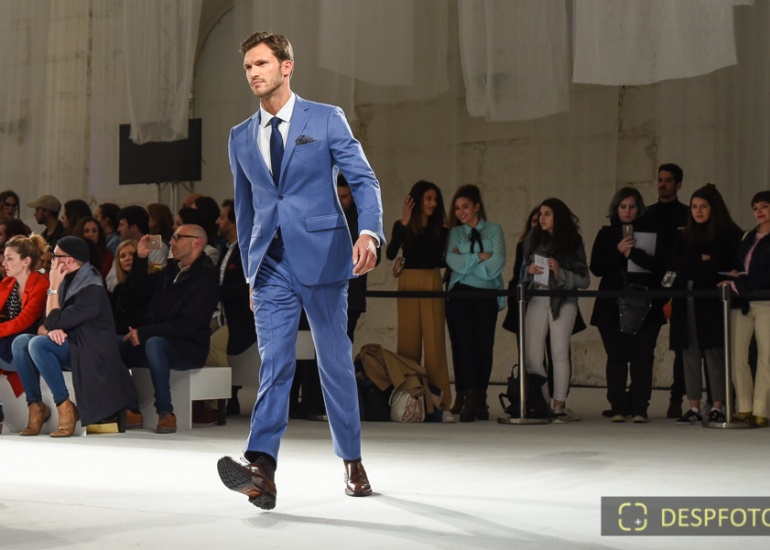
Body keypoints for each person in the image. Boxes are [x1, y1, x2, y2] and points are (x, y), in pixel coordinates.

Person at [217, 31, 383, 510]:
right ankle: (261, 468)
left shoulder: (326, 118)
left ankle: (351, 459)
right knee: (275, 363)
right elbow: (245, 210)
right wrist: (251, 273)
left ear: (286, 67)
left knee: (334, 363)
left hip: (325, 257)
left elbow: (363, 179)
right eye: (248, 66)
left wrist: (369, 233)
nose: (253, 73)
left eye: (262, 64)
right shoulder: (240, 136)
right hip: (270, 265)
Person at [12, 236, 138, 437]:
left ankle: (65, 407)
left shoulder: (91, 289)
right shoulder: (65, 282)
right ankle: (36, 406)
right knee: (20, 343)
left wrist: (53, 288)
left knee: (38, 345)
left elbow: (52, 322)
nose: (51, 261)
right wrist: (51, 330)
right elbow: (43, 325)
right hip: (71, 344)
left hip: (90, 351)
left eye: (56, 257)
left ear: (69, 260)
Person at [118, 225, 219, 434]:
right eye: (172, 237)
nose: (171, 242)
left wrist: (144, 333)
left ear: (197, 242)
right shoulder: (170, 269)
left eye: (177, 238)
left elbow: (188, 325)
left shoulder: (206, 277)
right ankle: (131, 408)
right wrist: (141, 258)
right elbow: (139, 292)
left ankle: (165, 412)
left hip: (189, 348)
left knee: (155, 344)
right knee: (114, 344)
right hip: (157, 339)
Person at [666, 185, 742, 424]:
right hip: (685, 298)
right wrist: (699, 259)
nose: (698, 211)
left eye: (704, 206)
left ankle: (718, 404)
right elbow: (672, 263)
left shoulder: (726, 233)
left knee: (714, 352)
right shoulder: (684, 234)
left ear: (713, 208)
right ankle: (694, 406)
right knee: (688, 352)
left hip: (712, 300)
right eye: (694, 206)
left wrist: (693, 265)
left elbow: (717, 265)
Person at [590, 187, 665, 423]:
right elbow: (596, 268)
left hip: (645, 303)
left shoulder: (652, 233)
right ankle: (618, 406)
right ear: (616, 208)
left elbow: (660, 267)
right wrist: (618, 251)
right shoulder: (605, 234)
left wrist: (634, 254)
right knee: (616, 356)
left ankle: (640, 407)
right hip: (611, 305)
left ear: (639, 208)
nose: (627, 211)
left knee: (643, 357)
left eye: (632, 207)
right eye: (623, 207)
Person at [385, 180, 452, 418]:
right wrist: (404, 222)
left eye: (435, 199)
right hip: (408, 281)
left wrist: (404, 260)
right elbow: (390, 253)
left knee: (435, 343)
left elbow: (438, 260)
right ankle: (408, 399)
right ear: (417, 200)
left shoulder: (442, 228)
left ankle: (441, 404)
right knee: (407, 343)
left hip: (431, 279)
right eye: (428, 199)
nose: (432, 204)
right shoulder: (403, 225)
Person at [521, 198, 590, 422]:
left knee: (559, 353)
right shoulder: (532, 238)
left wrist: (561, 273)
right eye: (541, 214)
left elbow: (584, 279)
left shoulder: (572, 241)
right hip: (538, 295)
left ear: (558, 216)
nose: (542, 218)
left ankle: (559, 405)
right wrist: (529, 271)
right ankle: (542, 404)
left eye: (547, 214)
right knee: (532, 356)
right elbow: (521, 272)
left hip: (563, 299)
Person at [445, 184, 506, 422]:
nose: (461, 212)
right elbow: (452, 260)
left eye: (465, 207)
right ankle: (470, 397)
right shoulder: (455, 232)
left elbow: (498, 261)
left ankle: (481, 396)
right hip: (460, 294)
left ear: (477, 207)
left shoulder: (494, 230)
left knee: (484, 345)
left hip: (486, 295)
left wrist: (467, 262)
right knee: (465, 345)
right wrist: (479, 257)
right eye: (457, 208)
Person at [647, 163, 690, 418]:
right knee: (644, 344)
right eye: (660, 179)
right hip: (651, 284)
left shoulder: (687, 215)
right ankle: (639, 398)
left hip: (677, 285)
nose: (663, 184)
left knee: (681, 345)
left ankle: (677, 397)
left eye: (668, 180)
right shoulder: (647, 214)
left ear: (678, 184)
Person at [724, 191, 770, 425]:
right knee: (737, 354)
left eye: (764, 206)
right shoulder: (747, 236)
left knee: (766, 356)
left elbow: (765, 275)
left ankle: (761, 409)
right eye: (755, 208)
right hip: (743, 301)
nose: (759, 212)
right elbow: (740, 264)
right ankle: (744, 406)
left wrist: (738, 283)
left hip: (766, 302)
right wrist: (735, 274)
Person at [0, 235, 49, 434]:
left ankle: (35, 407)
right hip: (7, 342)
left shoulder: (41, 285)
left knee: (18, 340)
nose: (4, 263)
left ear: (26, 261)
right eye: (4, 257)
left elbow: (24, 322)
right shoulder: (6, 284)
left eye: (10, 258)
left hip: (27, 346)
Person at [105, 205, 168, 292]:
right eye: (123, 256)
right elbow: (110, 280)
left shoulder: (156, 245)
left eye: (121, 225)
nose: (118, 229)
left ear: (134, 227)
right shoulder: (123, 247)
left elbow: (156, 275)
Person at [109, 239, 148, 335]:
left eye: (132, 254)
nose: (127, 258)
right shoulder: (119, 289)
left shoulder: (150, 281)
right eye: (123, 256)